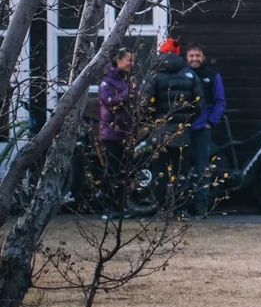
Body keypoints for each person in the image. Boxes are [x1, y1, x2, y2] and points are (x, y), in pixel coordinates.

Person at [145, 37, 198, 209]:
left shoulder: (154, 75)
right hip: (183, 133)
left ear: (161, 52)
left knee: (160, 172)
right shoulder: (189, 74)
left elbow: (144, 102)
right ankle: (180, 208)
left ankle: (161, 207)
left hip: (160, 133)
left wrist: (150, 121)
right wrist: (189, 120)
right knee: (180, 172)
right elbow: (199, 103)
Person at [182, 44, 227, 218]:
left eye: (197, 55)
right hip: (183, 127)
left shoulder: (212, 76)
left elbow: (220, 101)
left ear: (203, 57)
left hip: (203, 127)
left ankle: (201, 207)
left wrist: (211, 122)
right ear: (186, 57)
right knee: (182, 168)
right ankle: (182, 206)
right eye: (191, 55)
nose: (194, 59)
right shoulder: (180, 75)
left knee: (203, 168)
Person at [94, 47, 138, 218]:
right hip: (112, 133)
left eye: (133, 60)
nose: (131, 64)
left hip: (128, 132)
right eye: (129, 60)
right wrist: (129, 92)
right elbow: (108, 101)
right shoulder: (108, 81)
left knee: (124, 172)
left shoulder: (130, 79)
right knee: (112, 171)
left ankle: (121, 207)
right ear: (118, 60)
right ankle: (107, 207)